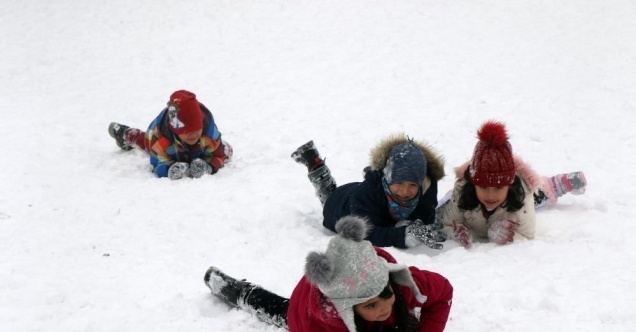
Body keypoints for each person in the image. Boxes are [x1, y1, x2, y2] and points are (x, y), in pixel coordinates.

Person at [204, 215, 453, 332]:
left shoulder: (400, 284)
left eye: (385, 294)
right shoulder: (321, 324)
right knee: (280, 311)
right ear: (348, 309)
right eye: (370, 306)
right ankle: (234, 290)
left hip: (344, 277)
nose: (383, 308)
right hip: (304, 311)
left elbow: (443, 292)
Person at [436, 120, 587, 248]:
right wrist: (455, 234)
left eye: (498, 187)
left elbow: (527, 235)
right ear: (473, 183)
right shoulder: (462, 193)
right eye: (483, 187)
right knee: (444, 205)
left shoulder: (522, 197)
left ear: (509, 184)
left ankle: (555, 184)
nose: (490, 195)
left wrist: (509, 235)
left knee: (538, 195)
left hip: (515, 198)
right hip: (467, 197)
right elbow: (445, 224)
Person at [291, 135, 447, 250]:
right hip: (340, 205)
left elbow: (426, 218)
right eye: (399, 183)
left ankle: (373, 176)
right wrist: (403, 235)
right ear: (387, 178)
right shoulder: (365, 194)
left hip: (368, 195)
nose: (405, 191)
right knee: (329, 195)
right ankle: (316, 167)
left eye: (412, 184)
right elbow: (364, 234)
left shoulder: (426, 188)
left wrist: (414, 226)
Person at [107, 90, 232, 179]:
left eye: (196, 129)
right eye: (187, 131)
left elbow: (220, 155)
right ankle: (125, 134)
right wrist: (168, 169)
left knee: (224, 148)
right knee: (144, 142)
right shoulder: (161, 140)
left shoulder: (209, 135)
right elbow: (156, 164)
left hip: (199, 148)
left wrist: (209, 166)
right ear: (176, 130)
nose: (193, 134)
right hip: (163, 144)